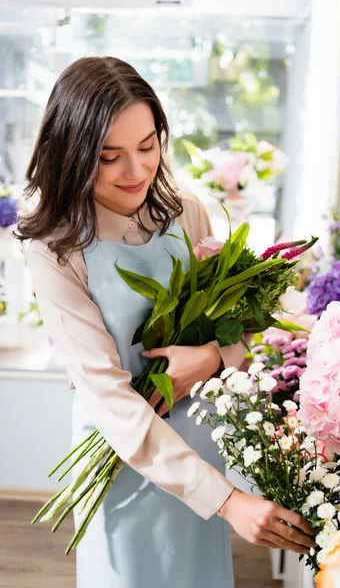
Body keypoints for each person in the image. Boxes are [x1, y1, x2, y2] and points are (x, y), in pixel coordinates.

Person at [15, 56, 314, 588]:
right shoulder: (56, 247)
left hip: (200, 449)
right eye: (109, 157)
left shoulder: (185, 212)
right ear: (73, 154)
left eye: (147, 146)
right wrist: (227, 502)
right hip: (125, 455)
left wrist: (213, 358)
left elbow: (240, 327)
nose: (136, 172)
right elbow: (108, 396)